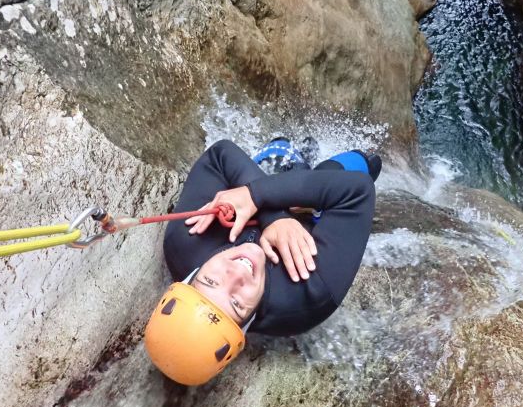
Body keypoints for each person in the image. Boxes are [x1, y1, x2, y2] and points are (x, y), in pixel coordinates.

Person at [144, 138, 381, 385]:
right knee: (364, 164)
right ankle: (298, 179)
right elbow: (359, 190)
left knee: (275, 158)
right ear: (245, 325)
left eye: (211, 281)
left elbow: (220, 154)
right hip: (312, 221)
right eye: (236, 303)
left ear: (190, 278)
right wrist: (273, 201)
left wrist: (265, 206)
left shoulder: (185, 241)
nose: (237, 274)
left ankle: (282, 165)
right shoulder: (309, 294)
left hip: (259, 203)